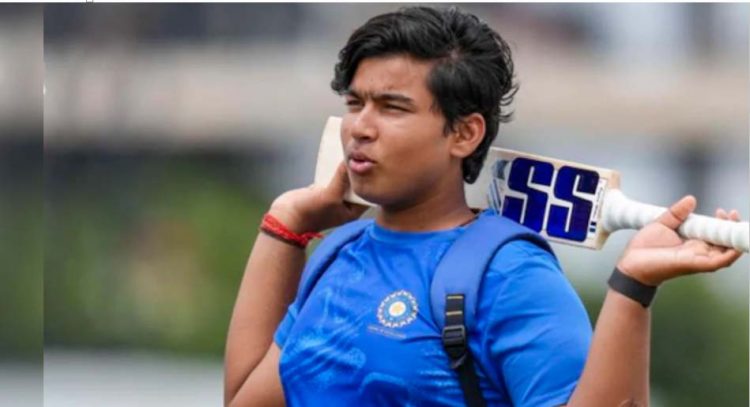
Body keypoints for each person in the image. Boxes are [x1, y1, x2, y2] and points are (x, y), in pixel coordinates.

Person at [224, 6, 743, 407]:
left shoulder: (510, 275)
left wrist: (632, 286)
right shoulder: (338, 254)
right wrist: (286, 225)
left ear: (464, 134)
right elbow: (244, 400)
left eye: (393, 108)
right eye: (355, 103)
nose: (360, 127)